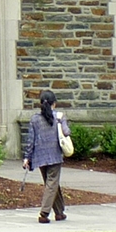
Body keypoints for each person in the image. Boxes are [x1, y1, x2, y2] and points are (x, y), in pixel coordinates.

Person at [21, 89, 70, 224]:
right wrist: (62, 123)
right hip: (54, 155)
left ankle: (59, 213)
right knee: (52, 184)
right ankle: (44, 213)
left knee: (52, 184)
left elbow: (31, 140)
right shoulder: (59, 117)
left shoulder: (35, 119)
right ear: (54, 103)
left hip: (40, 157)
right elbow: (66, 132)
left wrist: (27, 157)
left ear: (41, 103)